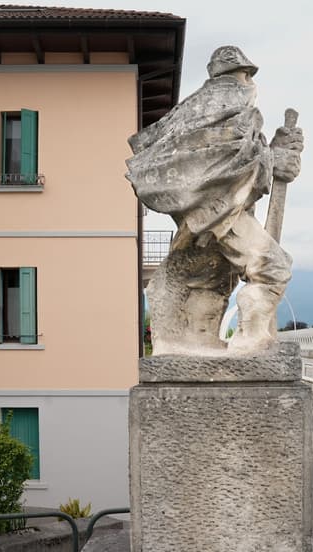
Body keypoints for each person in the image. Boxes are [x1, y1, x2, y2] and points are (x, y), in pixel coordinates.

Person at [127, 45, 303, 352]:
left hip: (209, 219)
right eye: (247, 76)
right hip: (222, 216)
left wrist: (276, 154)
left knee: (215, 279)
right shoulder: (226, 107)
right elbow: (229, 164)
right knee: (274, 268)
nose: (250, 84)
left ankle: (194, 340)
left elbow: (235, 159)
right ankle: (249, 339)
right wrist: (274, 159)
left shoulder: (201, 111)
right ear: (241, 76)